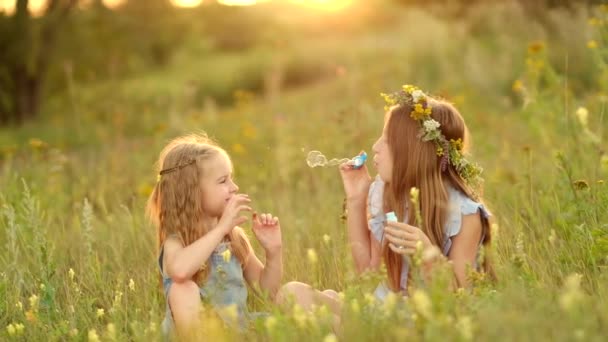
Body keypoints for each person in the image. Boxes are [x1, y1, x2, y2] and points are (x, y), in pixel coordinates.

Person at [278, 84, 495, 312]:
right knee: (292, 294)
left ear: (413, 152)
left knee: (308, 302)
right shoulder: (387, 194)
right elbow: (368, 273)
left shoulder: (464, 215)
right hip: (384, 309)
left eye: (386, 140)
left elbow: (461, 298)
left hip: (424, 319)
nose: (375, 147)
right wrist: (356, 199)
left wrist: (428, 255)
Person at [146, 134, 283, 338]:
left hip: (237, 331)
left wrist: (274, 252)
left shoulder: (233, 238)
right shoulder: (176, 242)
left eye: (231, 178)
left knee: (293, 308)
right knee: (182, 290)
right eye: (223, 181)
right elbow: (180, 272)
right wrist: (220, 229)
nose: (234, 187)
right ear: (192, 192)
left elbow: (268, 292)